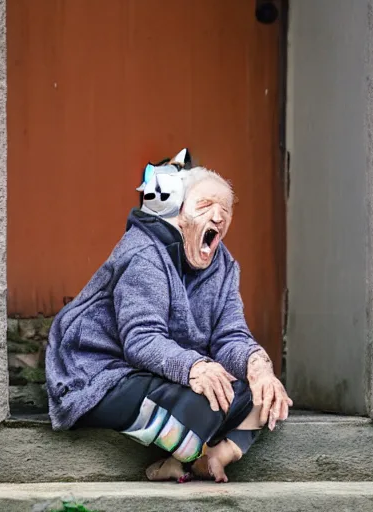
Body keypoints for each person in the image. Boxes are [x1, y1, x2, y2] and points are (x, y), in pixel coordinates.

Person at [45, 149, 293, 483]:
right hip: (98, 373)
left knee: (259, 396)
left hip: (161, 372)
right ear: (177, 213)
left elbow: (229, 336)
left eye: (225, 210)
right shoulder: (144, 253)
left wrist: (258, 367)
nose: (218, 217)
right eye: (205, 206)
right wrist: (194, 367)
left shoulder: (224, 265)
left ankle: (215, 456)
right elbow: (142, 340)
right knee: (203, 404)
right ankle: (194, 454)